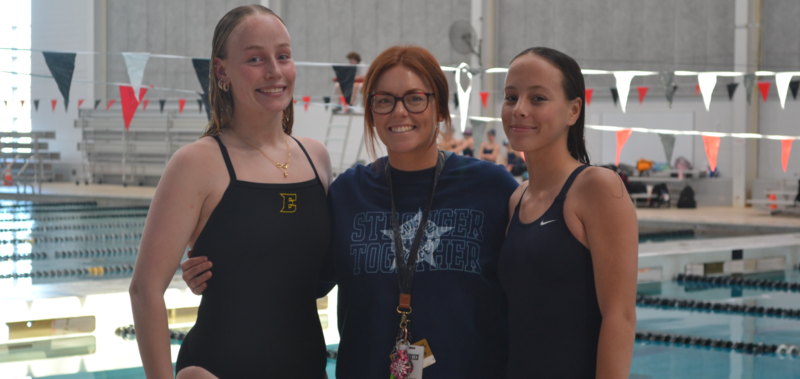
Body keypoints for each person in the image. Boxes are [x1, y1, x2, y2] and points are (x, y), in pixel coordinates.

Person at [182, 45, 518, 378]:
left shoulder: (490, 188)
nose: (399, 112)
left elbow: (539, 280)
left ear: (441, 108)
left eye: (415, 98)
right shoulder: (348, 193)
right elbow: (295, 279)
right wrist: (221, 269)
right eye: (384, 100)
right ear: (371, 112)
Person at [129, 5, 332, 378]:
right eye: (255, 58)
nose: (274, 70)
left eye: (283, 56)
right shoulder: (197, 163)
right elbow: (145, 289)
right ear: (222, 71)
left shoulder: (315, 157)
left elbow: (315, 270)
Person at [498, 47, 638, 378]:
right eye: (511, 97)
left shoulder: (597, 188)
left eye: (538, 99)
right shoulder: (516, 199)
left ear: (574, 110)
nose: (519, 110)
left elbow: (619, 316)